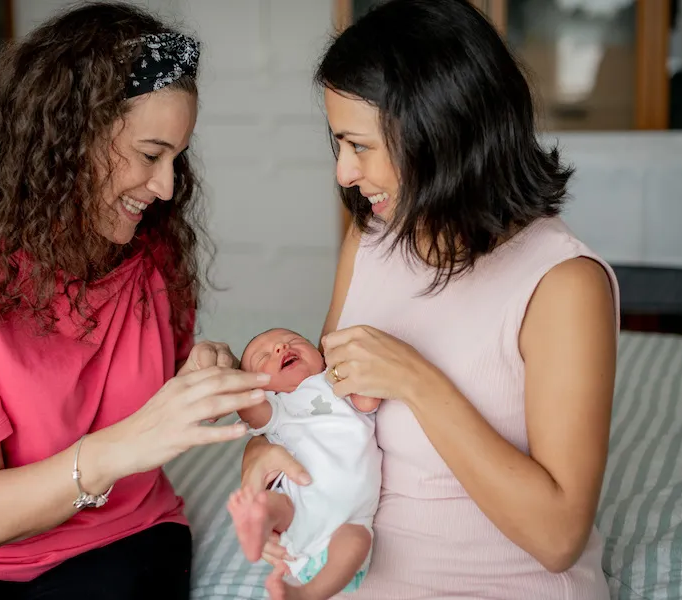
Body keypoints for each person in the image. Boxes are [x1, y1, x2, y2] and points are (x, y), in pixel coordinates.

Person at [0, 4, 269, 599]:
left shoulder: (153, 250)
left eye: (176, 156)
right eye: (151, 155)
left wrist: (193, 379)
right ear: (68, 141)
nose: (168, 186)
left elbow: (135, 392)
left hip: (119, 539)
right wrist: (123, 446)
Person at [241, 0, 618, 598]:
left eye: (359, 146)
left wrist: (418, 379)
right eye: (338, 143)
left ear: (438, 133)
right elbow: (319, 413)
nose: (343, 172)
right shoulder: (370, 241)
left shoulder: (563, 283)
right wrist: (257, 453)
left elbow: (558, 537)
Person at [228, 328, 382, 600]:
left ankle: (308, 593)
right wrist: (233, 383)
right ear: (259, 389)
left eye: (293, 341)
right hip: (297, 500)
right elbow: (248, 408)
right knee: (272, 503)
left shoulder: (337, 382)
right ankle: (257, 529)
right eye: (263, 357)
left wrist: (348, 369)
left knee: (358, 541)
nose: (280, 348)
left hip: (351, 517)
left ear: (320, 355)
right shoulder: (277, 407)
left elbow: (368, 400)